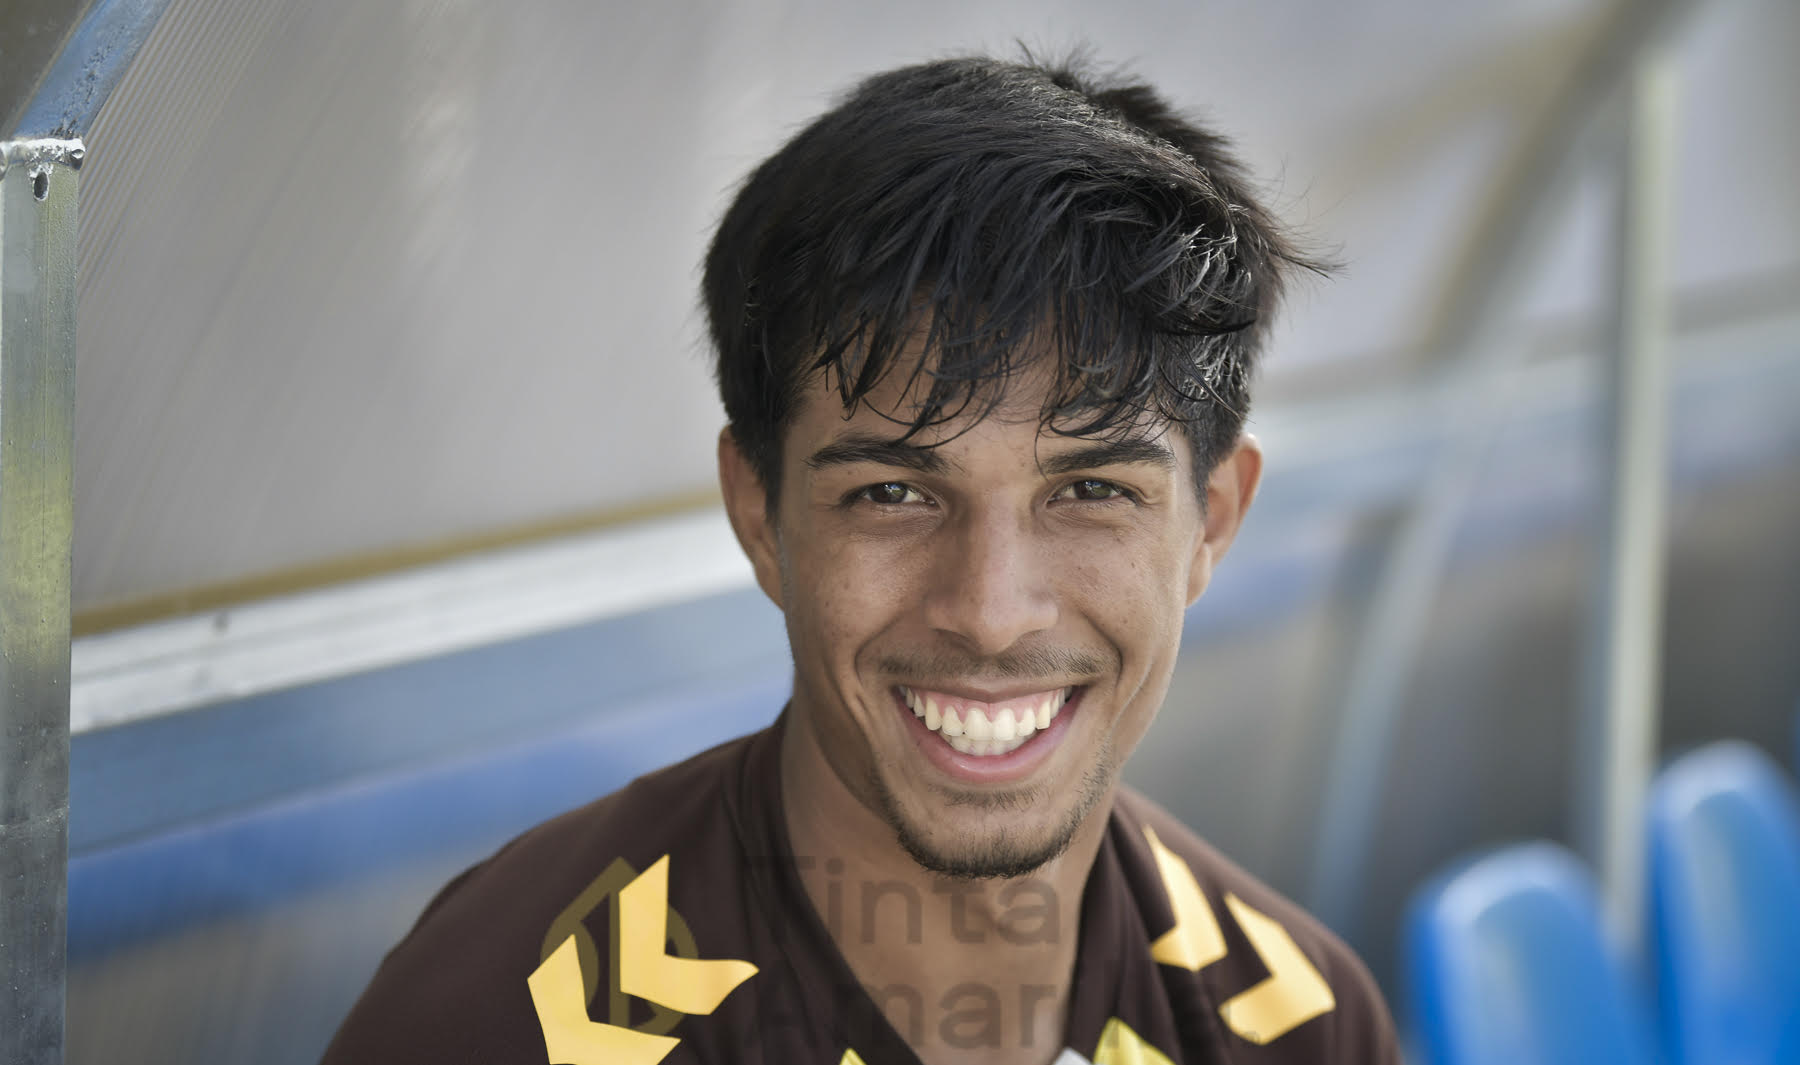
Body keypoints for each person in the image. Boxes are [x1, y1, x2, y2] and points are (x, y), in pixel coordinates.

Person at [323, 53, 1400, 1065]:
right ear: (761, 512)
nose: (991, 612)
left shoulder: (1293, 1025)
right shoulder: (507, 1023)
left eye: (1090, 491)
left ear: (1212, 520)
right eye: (893, 494)